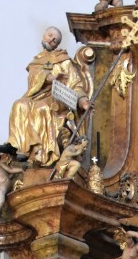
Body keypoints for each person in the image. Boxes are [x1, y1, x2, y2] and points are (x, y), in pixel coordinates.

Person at [7, 27, 91, 167]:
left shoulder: (64, 60)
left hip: (58, 98)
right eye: (50, 35)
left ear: (57, 44)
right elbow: (33, 79)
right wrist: (49, 78)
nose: (51, 40)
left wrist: (83, 101)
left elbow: (76, 84)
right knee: (19, 104)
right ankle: (22, 149)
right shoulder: (37, 61)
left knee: (42, 108)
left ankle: (42, 152)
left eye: (55, 40)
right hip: (37, 94)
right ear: (44, 34)